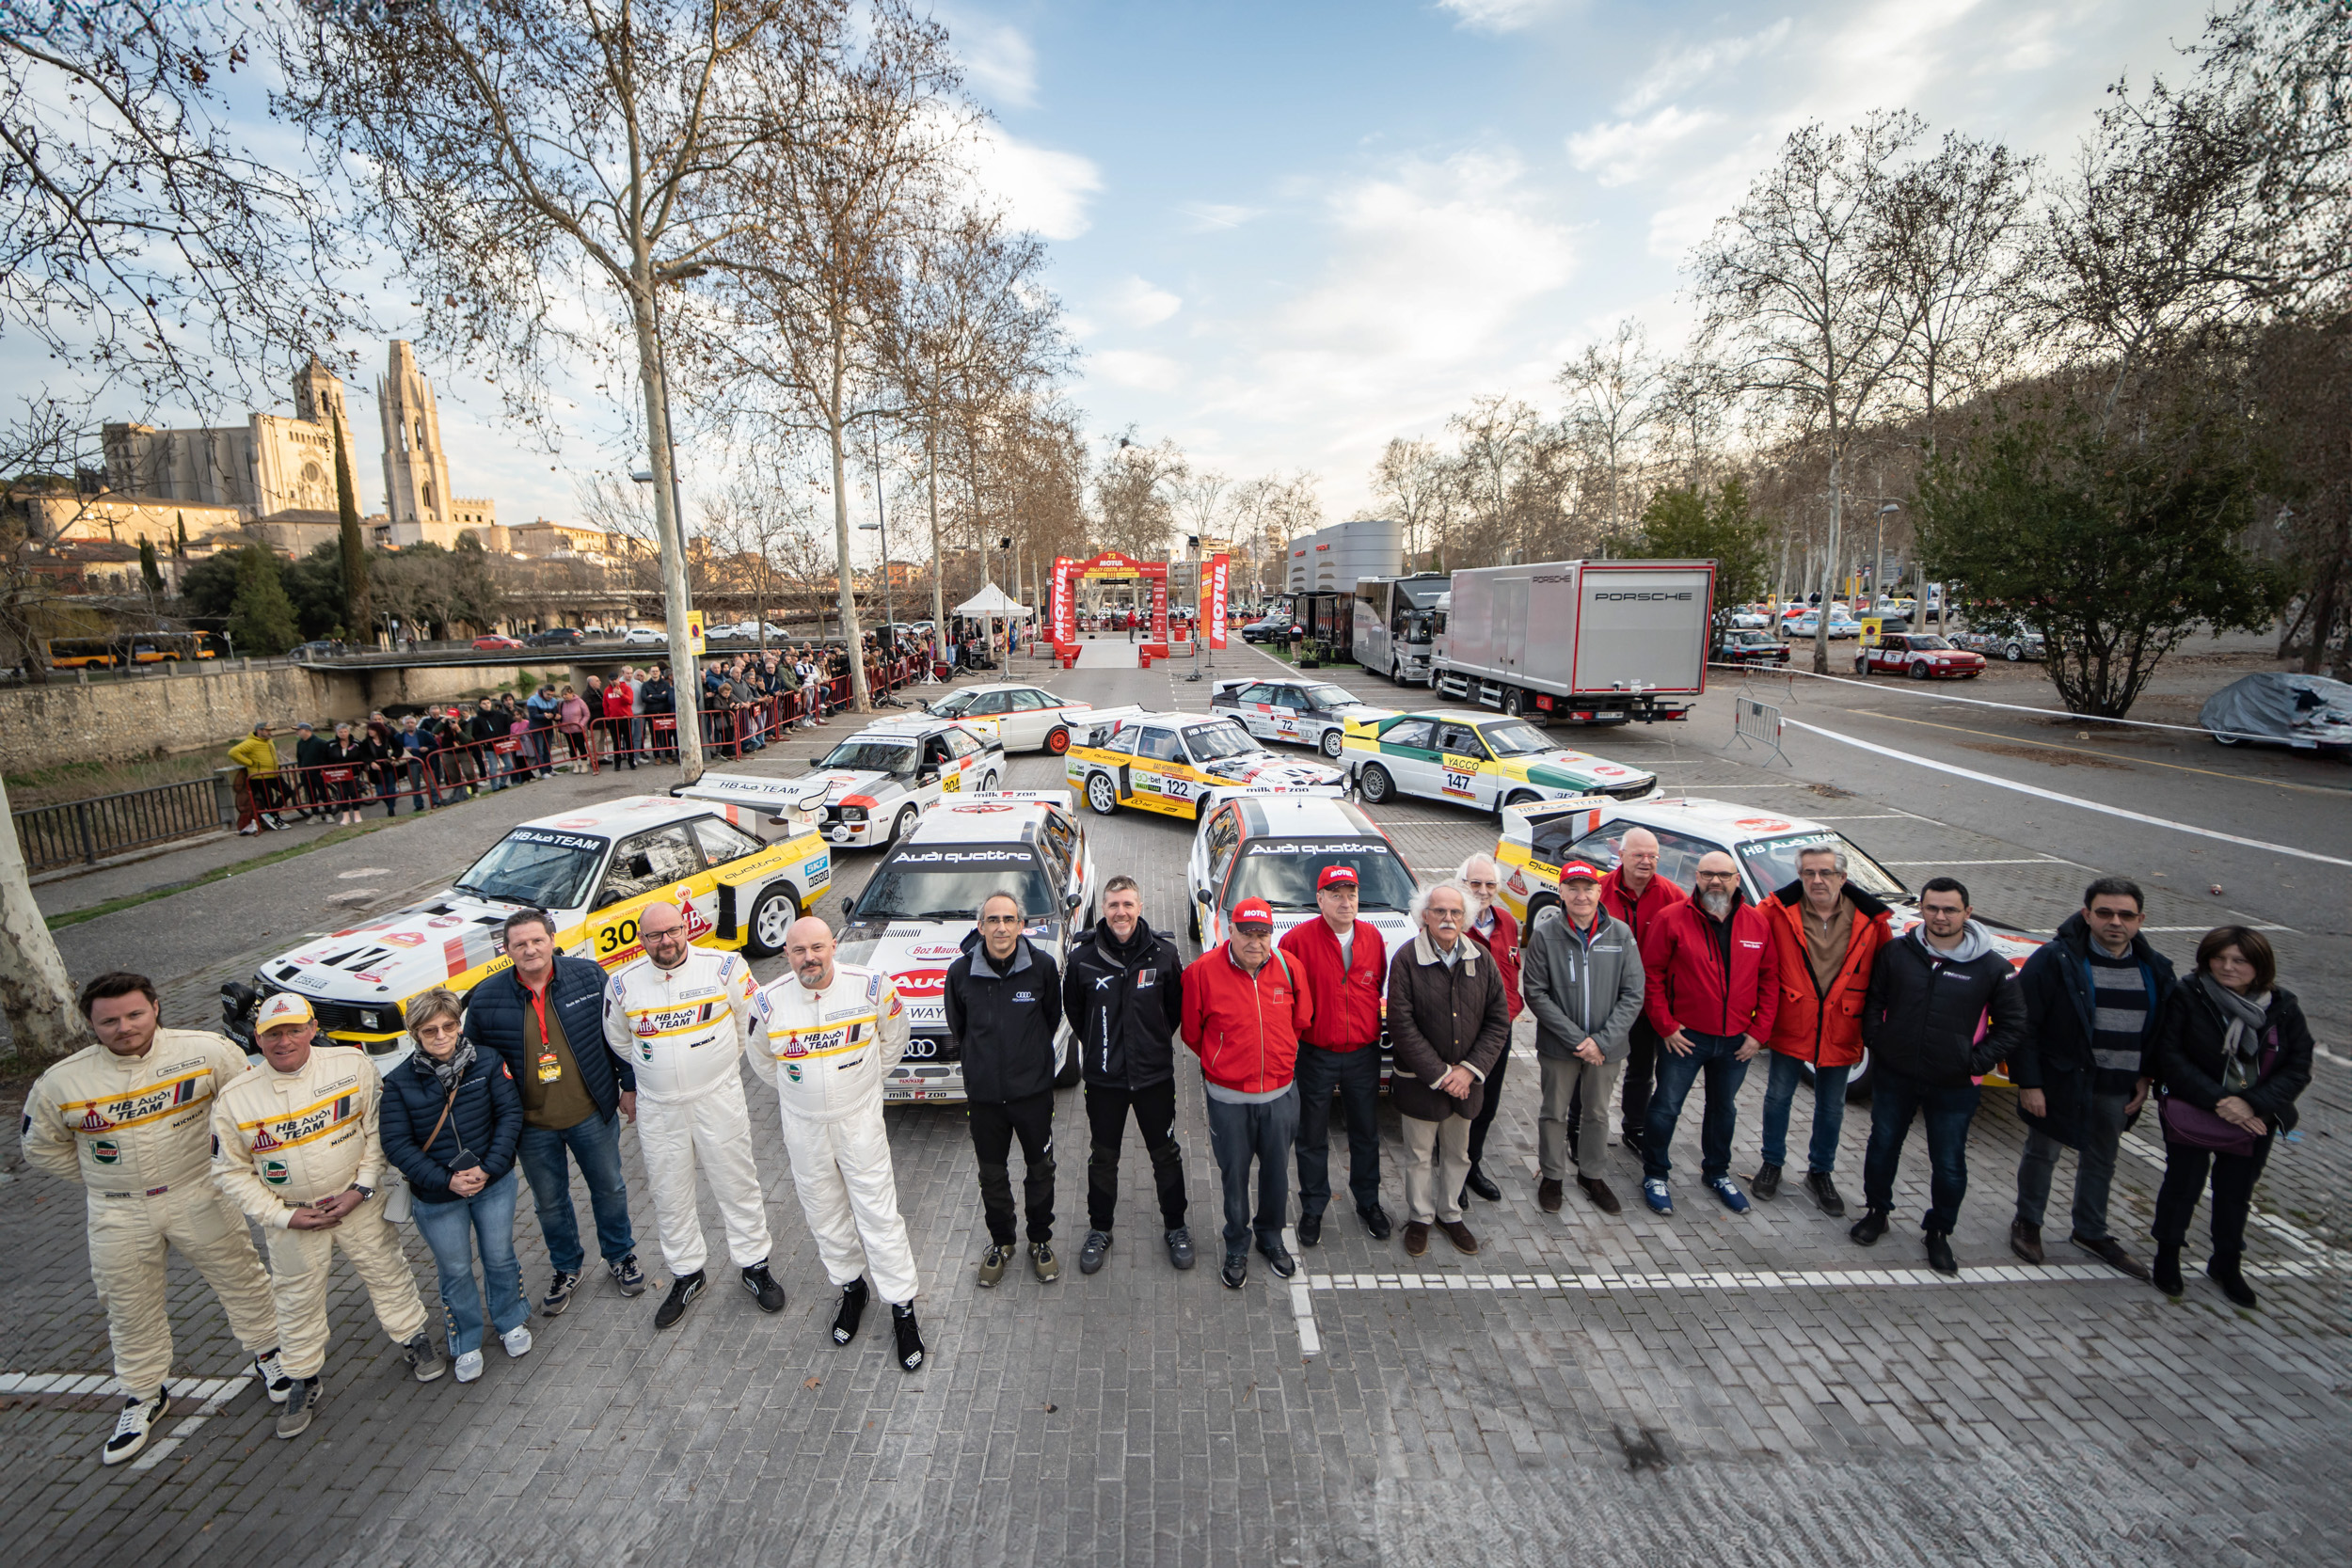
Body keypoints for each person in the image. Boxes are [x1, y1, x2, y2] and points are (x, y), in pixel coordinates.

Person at [20, 974, 283, 1465]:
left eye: (134, 1014)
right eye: (109, 1021)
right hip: (117, 1209)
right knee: (127, 1304)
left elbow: (249, 1107)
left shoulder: (206, 1051)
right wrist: (104, 1178)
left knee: (241, 1277)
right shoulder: (60, 1082)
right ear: (90, 1023)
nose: (124, 1027)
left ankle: (272, 1354)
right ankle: (144, 1394)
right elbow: (40, 1149)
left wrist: (229, 1167)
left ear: (156, 1008)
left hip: (198, 1192)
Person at [211, 992, 439, 1440]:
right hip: (293, 1219)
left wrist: (363, 1187)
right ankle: (301, 1377)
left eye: (294, 1030)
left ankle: (413, 1337)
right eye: (273, 1034)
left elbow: (377, 1132)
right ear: (257, 1038)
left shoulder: (351, 1065)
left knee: (387, 1271)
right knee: (296, 1298)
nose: (284, 1041)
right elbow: (229, 1173)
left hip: (357, 1201)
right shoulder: (234, 1099)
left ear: (313, 1029)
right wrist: (281, 1217)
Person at [754, 917, 925, 1371]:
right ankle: (852, 1289)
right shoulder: (767, 1002)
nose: (809, 958)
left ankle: (902, 1307)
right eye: (798, 951)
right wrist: (804, 1094)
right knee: (824, 1214)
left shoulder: (871, 987)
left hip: (858, 1124)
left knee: (878, 1215)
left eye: (817, 947)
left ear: (834, 946)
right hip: (804, 1129)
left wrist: (861, 1088)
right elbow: (763, 1061)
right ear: (786, 955)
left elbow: (894, 1040)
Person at [602, 901, 785, 1327]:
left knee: (737, 1182)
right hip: (658, 1107)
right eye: (654, 935)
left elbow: (750, 1023)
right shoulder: (622, 983)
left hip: (717, 1097)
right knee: (669, 1192)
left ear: (686, 928)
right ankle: (687, 1273)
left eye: (672, 931)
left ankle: (754, 1265)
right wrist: (658, 1072)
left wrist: (716, 1065)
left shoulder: (724, 967)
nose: (665, 941)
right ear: (642, 940)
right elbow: (619, 1039)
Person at [463, 909, 646, 1313]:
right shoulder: (486, 998)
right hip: (530, 1124)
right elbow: (476, 1064)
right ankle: (566, 1266)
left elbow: (618, 1035)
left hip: (591, 1112)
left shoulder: (589, 976)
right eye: (520, 944)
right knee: (549, 1202)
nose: (530, 949)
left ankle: (620, 1255)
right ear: (506, 949)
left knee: (610, 1188)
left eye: (537, 940)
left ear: (552, 940)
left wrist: (629, 1085)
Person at [1850, 877, 2026, 1274]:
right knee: (1882, 1146)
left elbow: (2014, 1025)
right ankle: (1877, 1212)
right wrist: (1879, 1041)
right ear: (1922, 909)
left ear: (1968, 912)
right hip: (1896, 1075)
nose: (1940, 916)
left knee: (1948, 1162)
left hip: (1954, 1084)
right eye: (1932, 908)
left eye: (1950, 909)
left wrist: (1975, 1062)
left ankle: (1939, 1231)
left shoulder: (1992, 968)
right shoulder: (1897, 952)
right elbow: (1875, 999)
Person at [2008, 878, 2177, 1279]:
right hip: (2060, 1081)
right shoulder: (2056, 960)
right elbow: (2023, 1024)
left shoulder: (2154, 967)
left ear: (2140, 919)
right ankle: (2028, 1222)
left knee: (2102, 1158)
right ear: (2086, 914)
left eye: (2125, 915)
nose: (2115, 922)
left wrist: (2146, 1075)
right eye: (2104, 913)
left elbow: (2160, 1030)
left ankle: (2090, 1230)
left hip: (2118, 1085)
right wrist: (2029, 1083)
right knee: (2042, 1153)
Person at [2145, 927, 2312, 1307]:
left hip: (2256, 1116)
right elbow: (2169, 1055)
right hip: (2193, 1107)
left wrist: (2252, 1104)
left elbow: (2298, 1066)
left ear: (2260, 966)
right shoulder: (2188, 994)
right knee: (2182, 1185)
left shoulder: (2283, 1005)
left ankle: (2226, 1262)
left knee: (2236, 1193)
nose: (2227, 967)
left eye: (2239, 960)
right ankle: (2167, 1254)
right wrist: (2221, 1101)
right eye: (2219, 958)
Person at [377, 988, 530, 1385]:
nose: (441, 1036)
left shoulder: (489, 1061)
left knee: (499, 1256)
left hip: (492, 1184)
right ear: (415, 1034)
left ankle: (511, 1320)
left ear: (459, 1025)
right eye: (430, 1031)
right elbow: (396, 1144)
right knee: (456, 1269)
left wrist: (490, 1168)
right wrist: (447, 1180)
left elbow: (509, 1114)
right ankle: (465, 1341)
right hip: (437, 1197)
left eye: (448, 1026)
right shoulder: (398, 1083)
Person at [1753, 845, 1893, 1217]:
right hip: (1791, 1021)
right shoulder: (1774, 911)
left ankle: (1820, 1172)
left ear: (1842, 877)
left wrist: (1880, 1028)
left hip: (1843, 1025)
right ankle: (1771, 1163)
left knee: (1831, 1106)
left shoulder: (1871, 920)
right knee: (1777, 1097)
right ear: (1799, 876)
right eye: (1809, 873)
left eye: (1826, 873)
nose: (1817, 880)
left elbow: (1886, 976)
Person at [1181, 895, 1312, 1290]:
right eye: (1247, 933)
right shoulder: (1202, 972)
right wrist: (1224, 1062)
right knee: (1234, 1177)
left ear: (1271, 934)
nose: (1255, 942)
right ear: (1231, 931)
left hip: (1280, 1097)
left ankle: (1270, 1237)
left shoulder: (1290, 967)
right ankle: (1236, 1244)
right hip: (1228, 1101)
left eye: (1263, 934)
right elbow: (1192, 1032)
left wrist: (1278, 1060)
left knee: (1276, 1173)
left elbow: (1301, 1020)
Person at [1063, 875, 1192, 1273]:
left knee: (1165, 1154)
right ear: (1103, 908)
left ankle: (1176, 1227)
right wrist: (1102, 1047)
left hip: (1154, 1078)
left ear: (1140, 907)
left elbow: (1174, 1011)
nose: (1121, 912)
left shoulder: (1164, 954)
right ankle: (1100, 1230)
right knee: (1103, 1157)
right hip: (1104, 1081)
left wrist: (1151, 1044)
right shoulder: (1083, 959)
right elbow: (1075, 1012)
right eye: (1114, 904)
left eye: (1128, 904)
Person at [1637, 850, 1776, 1217]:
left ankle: (1717, 1173)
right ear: (1696, 877)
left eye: (1724, 875)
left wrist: (1758, 1033)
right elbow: (1650, 975)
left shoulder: (1757, 924)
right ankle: (1655, 1175)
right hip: (1685, 1039)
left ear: (1736, 880)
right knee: (1666, 1107)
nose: (1715, 881)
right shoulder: (1671, 919)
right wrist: (1666, 1026)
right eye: (1707, 874)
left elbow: (1770, 980)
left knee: (1723, 1110)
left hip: (1736, 1042)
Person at [946, 893, 1065, 1286]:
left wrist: (1028, 1063)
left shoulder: (1042, 968)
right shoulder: (960, 973)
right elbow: (959, 1027)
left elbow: (1051, 1018)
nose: (1001, 927)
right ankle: (1002, 1241)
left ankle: (1040, 1239)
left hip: (1033, 1097)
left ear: (1021, 925)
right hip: (984, 1100)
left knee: (1040, 1170)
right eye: (993, 920)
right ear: (980, 926)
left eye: (1009, 919)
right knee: (992, 1175)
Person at [1387, 881, 1510, 1257]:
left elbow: (1498, 1020)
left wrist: (1469, 1071)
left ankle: (1450, 1214)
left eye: (1456, 912)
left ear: (1465, 917)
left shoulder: (1481, 958)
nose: (1448, 918)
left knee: (1459, 1154)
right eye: (1439, 911)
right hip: (1422, 1082)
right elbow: (1401, 1024)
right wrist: (1442, 1075)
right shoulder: (1406, 959)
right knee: (1419, 1155)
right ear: (1424, 915)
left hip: (1467, 1083)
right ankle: (1420, 1217)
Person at [1520, 862, 1645, 1216]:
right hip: (1559, 1046)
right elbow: (1536, 992)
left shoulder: (1620, 934)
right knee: (1553, 1112)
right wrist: (1579, 1040)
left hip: (1607, 1049)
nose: (1581, 895)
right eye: (1572, 888)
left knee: (1597, 1113)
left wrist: (1601, 1042)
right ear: (1560, 892)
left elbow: (1633, 992)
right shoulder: (1545, 934)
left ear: (1599, 891)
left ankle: (1592, 1175)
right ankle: (1552, 1176)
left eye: (1587, 888)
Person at [1278, 863, 1391, 1245]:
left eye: (1351, 894)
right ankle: (1313, 1207)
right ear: (1320, 899)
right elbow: (1285, 995)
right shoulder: (1296, 941)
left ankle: (1369, 1202)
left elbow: (1377, 986)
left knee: (1365, 1132)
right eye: (1336, 895)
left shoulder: (1373, 938)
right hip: (1315, 1054)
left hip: (1363, 1053)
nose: (1346, 902)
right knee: (1311, 1135)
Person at [1597, 828, 1687, 1150]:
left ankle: (1635, 1127)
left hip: (1651, 1003)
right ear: (1620, 855)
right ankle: (1579, 1127)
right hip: (1605, 1000)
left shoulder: (1674, 896)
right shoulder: (1599, 891)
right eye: (1638, 855)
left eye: (1653, 856)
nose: (1646, 861)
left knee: (1641, 1070)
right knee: (1593, 1067)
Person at [1455, 854, 1524, 1207]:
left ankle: (1472, 1165)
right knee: (1458, 1105)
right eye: (1475, 883)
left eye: (1490, 884)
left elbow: (1512, 973)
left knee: (1487, 1104)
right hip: (1462, 1032)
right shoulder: (1450, 922)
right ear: (1462, 885)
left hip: (1499, 1031)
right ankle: (1452, 1172)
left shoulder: (1507, 922)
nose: (1483, 891)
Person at [229, 722, 285, 834]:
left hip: (273, 774)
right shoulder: (251, 742)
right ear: (259, 731)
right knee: (269, 797)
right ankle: (274, 818)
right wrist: (249, 763)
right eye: (267, 730)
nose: (270, 733)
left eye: (270, 730)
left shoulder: (268, 741)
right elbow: (233, 752)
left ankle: (271, 814)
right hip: (259, 776)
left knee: (287, 791)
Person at [323, 721, 376, 827]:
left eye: (345, 731)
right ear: (337, 733)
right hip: (338, 774)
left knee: (354, 793)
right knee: (343, 794)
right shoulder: (331, 744)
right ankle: (345, 816)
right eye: (340, 732)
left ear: (348, 732)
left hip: (353, 773)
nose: (343, 734)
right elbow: (325, 759)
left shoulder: (356, 743)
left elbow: (362, 756)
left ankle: (357, 814)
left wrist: (361, 768)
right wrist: (328, 770)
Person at [293, 720, 331, 819]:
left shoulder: (319, 742)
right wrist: (300, 768)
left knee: (323, 792)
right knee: (311, 794)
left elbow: (326, 757)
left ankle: (329, 812)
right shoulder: (300, 743)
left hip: (318, 773)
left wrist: (324, 769)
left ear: (307, 730)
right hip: (305, 773)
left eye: (299, 730)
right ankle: (315, 814)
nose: (297, 732)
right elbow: (299, 757)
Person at [601, 671, 639, 769]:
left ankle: (631, 761)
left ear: (618, 678)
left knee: (628, 741)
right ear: (609, 680)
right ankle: (617, 763)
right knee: (616, 742)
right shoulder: (607, 690)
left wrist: (621, 694)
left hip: (625, 718)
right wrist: (608, 716)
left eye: (615, 679)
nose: (614, 681)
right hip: (614, 720)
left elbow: (630, 701)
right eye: (612, 680)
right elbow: (605, 704)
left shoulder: (626, 688)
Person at [556, 685, 592, 768]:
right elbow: (559, 715)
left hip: (578, 729)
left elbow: (587, 714)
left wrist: (581, 724)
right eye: (563, 695)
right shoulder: (561, 704)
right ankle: (575, 765)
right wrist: (559, 720)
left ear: (571, 693)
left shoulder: (580, 702)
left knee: (581, 746)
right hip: (567, 730)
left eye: (566, 694)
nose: (564, 696)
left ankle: (584, 765)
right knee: (572, 747)